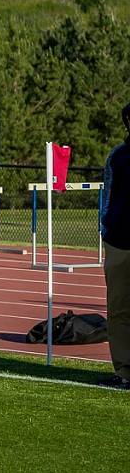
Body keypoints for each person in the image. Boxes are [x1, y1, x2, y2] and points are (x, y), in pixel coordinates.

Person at [100, 102, 130, 390]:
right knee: (119, 308)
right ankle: (124, 370)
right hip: (119, 241)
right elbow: (107, 195)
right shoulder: (118, 156)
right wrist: (105, 228)